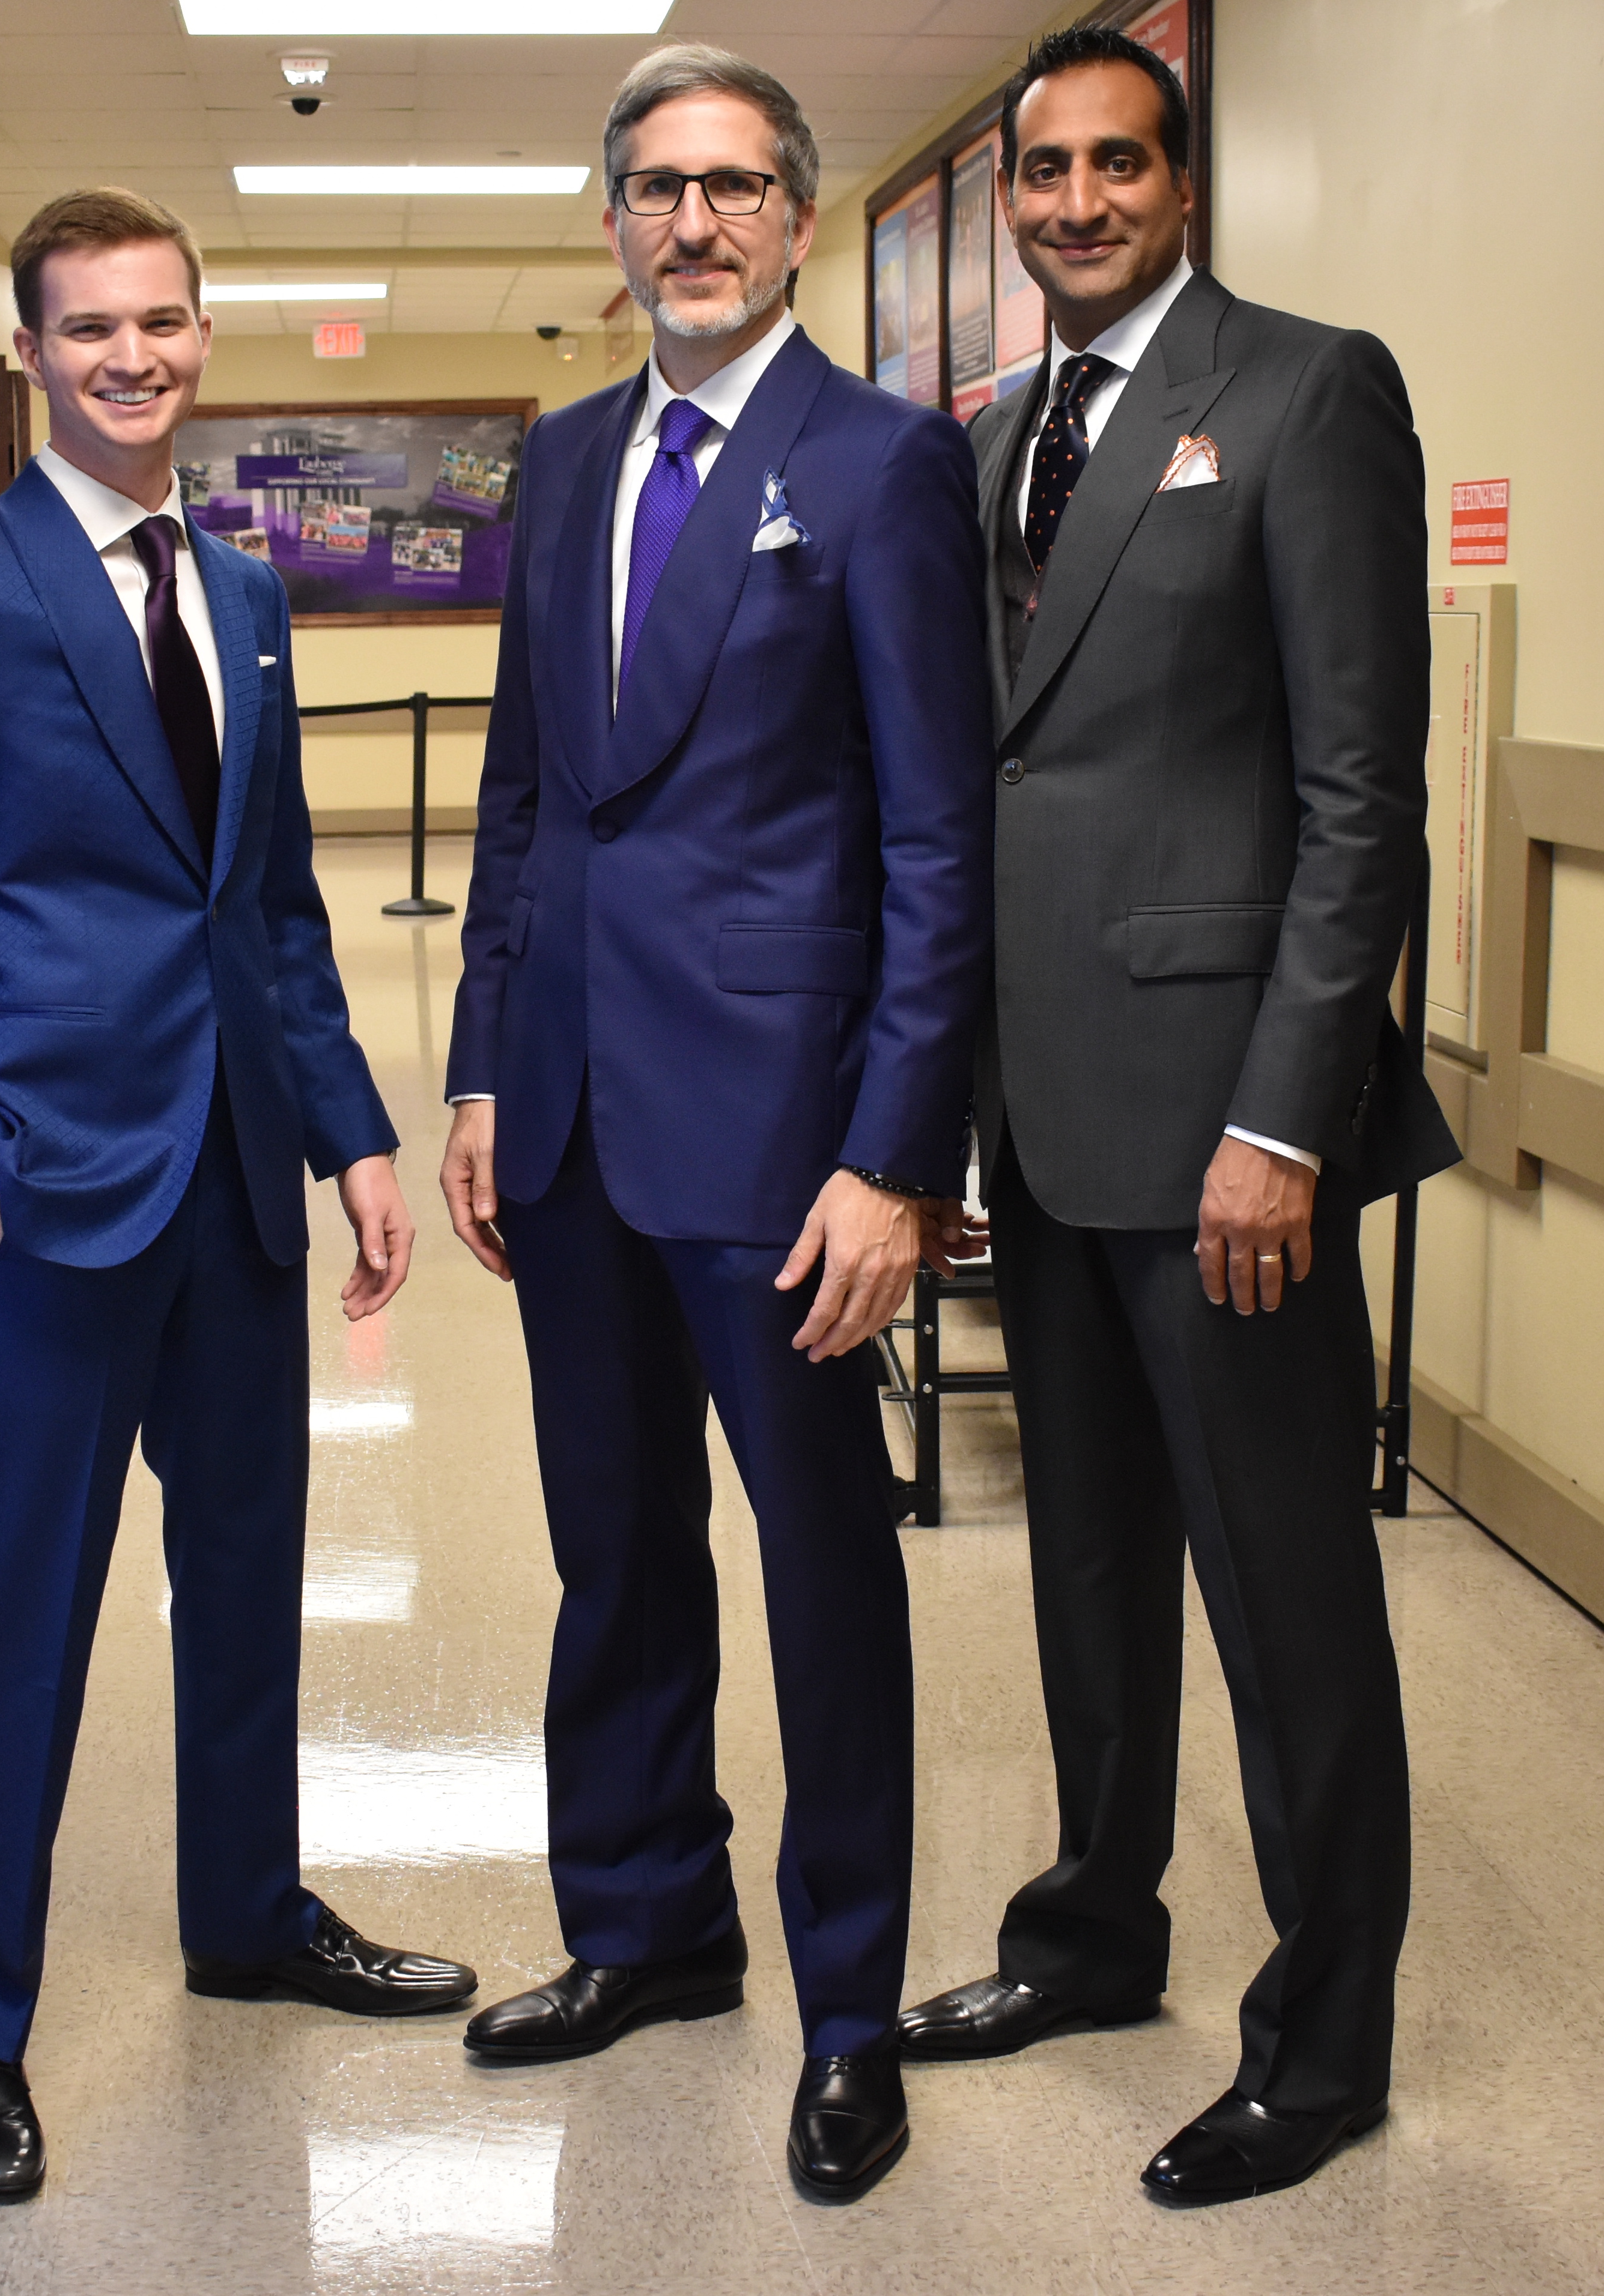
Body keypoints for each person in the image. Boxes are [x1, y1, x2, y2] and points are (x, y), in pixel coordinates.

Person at [0, 186, 476, 2206]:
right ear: (32, 352)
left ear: (200, 336)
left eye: (161, 322)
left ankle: (247, 1915)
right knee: (15, 1612)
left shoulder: (244, 594)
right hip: (49, 1203)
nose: (131, 357)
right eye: (90, 328)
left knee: (249, 1579)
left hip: (235, 1187)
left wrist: (353, 1134)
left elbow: (266, 908)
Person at [895, 28, 1458, 2205]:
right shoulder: (994, 435)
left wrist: (1285, 1127)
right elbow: (1000, 778)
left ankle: (1322, 2049)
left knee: (1285, 1593)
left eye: (1115, 164)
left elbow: (1360, 798)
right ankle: (1090, 1934)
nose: (1075, 203)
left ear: (1181, 181)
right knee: (1093, 1566)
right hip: (1043, 1120)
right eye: (1043, 171)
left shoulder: (1308, 393)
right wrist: (954, 1116)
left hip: (1229, 1136)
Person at [439, 46, 994, 2201]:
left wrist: (896, 1158)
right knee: (613, 1555)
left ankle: (847, 2008)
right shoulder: (566, 456)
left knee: (820, 1572)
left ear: (795, 220)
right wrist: (482, 1064)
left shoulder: (879, 464)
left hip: (781, 1135)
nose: (693, 224)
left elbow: (934, 844)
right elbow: (520, 796)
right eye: (656, 190)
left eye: (734, 188)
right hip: (571, 1114)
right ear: (611, 225)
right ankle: (645, 1926)